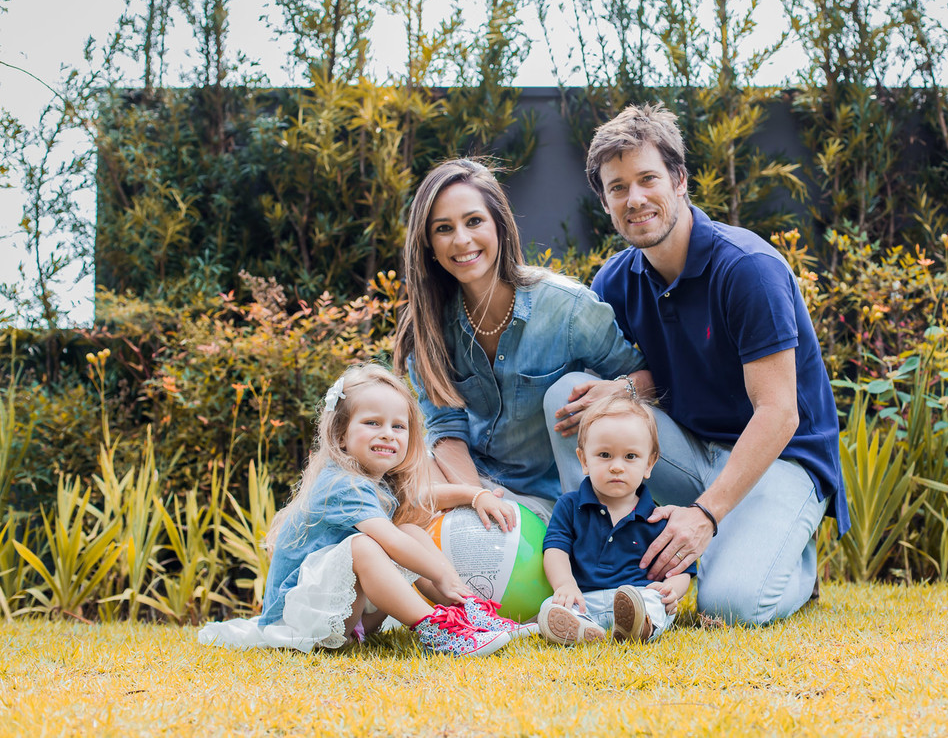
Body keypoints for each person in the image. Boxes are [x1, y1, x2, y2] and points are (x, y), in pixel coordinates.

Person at [546, 104, 851, 626]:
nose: (634, 199)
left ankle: (790, 564)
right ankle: (604, 563)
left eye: (647, 179)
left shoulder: (748, 269)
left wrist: (707, 516)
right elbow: (661, 374)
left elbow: (779, 413)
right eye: (617, 187)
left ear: (680, 180)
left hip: (780, 458)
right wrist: (620, 388)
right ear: (605, 200)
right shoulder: (615, 283)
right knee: (571, 398)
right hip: (688, 450)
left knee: (730, 605)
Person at [198, 363, 526, 657]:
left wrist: (475, 495)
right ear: (341, 434)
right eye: (372, 422)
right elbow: (391, 543)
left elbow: (424, 496)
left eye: (399, 426)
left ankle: (467, 614)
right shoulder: (341, 484)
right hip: (298, 618)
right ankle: (436, 631)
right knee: (367, 545)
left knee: (410, 530)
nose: (387, 433)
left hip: (345, 618)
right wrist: (443, 575)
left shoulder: (376, 481)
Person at [394, 158, 648, 524]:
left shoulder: (568, 308)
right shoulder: (429, 325)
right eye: (444, 228)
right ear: (429, 244)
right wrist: (477, 499)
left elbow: (645, 378)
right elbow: (445, 430)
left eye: (474, 221)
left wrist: (619, 389)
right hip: (471, 482)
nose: (462, 240)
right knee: (387, 496)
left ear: (499, 224)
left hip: (548, 499)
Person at [537, 393, 694, 645]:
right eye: (605, 455)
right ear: (584, 460)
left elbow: (681, 568)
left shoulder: (657, 515)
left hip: (638, 597)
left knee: (656, 603)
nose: (617, 467)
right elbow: (555, 549)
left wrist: (672, 589)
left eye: (630, 457)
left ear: (649, 464)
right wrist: (565, 585)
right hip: (586, 598)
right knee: (551, 605)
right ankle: (581, 629)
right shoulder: (569, 505)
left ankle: (638, 625)